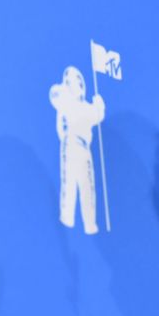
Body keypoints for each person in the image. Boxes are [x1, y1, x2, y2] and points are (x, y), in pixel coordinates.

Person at [49, 66, 106, 235]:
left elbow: (96, 115)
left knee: (87, 185)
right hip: (71, 144)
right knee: (70, 183)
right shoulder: (66, 101)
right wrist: (98, 106)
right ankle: (67, 219)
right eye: (74, 81)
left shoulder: (83, 106)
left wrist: (98, 105)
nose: (79, 84)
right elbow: (56, 96)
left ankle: (89, 224)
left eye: (80, 82)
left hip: (83, 148)